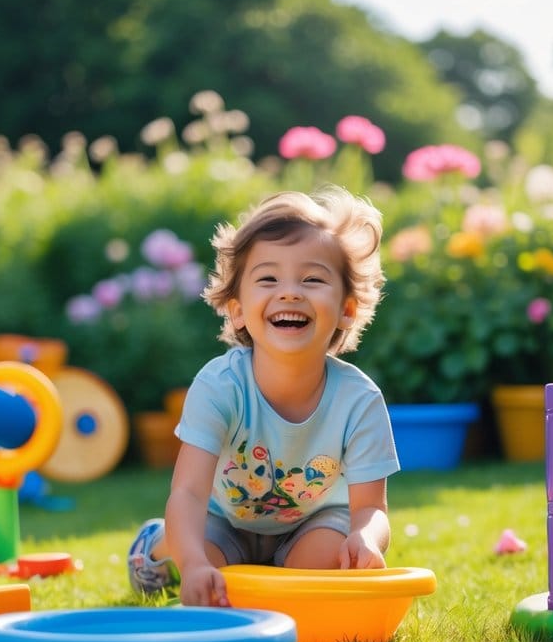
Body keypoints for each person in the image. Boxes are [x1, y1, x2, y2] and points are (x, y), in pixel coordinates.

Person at [127, 186, 399, 606]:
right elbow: (189, 494)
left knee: (328, 557)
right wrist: (194, 563)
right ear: (237, 309)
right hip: (224, 519)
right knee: (203, 562)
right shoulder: (220, 387)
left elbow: (370, 509)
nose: (290, 293)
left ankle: (280, 567)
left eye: (312, 279)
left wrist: (365, 539)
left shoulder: (359, 400)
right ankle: (156, 548)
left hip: (313, 521)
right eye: (269, 278)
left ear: (346, 308)